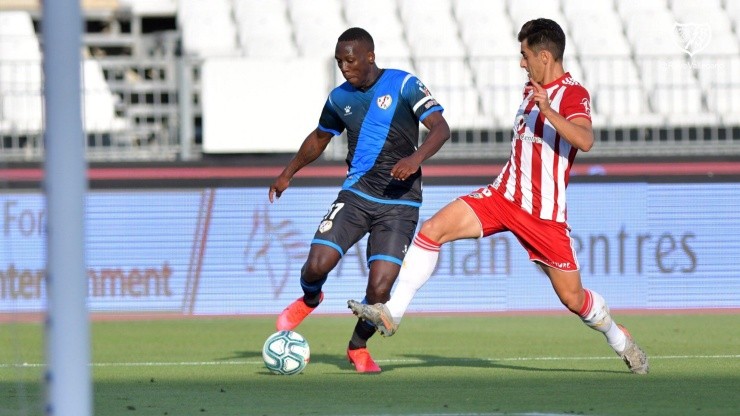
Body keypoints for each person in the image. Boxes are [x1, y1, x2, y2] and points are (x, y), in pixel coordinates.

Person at [348, 18, 649, 374]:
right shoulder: (530, 89)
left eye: (525, 55)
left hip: (544, 215)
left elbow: (585, 140)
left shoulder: (572, 94)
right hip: (503, 196)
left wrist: (549, 110)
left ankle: (618, 337)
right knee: (432, 231)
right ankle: (393, 312)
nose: (521, 63)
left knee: (574, 299)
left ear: (545, 56)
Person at [268, 27, 450, 373]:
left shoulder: (403, 84)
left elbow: (441, 128)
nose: (344, 67)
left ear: (370, 56)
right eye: (339, 61)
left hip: (400, 202)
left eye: (349, 60)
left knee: (380, 288)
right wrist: (288, 173)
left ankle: (357, 347)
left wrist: (414, 160)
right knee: (317, 264)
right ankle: (311, 297)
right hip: (357, 195)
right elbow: (320, 137)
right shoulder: (340, 98)